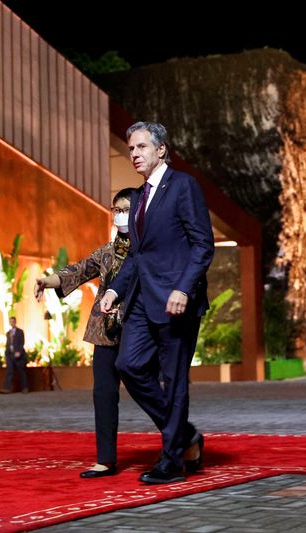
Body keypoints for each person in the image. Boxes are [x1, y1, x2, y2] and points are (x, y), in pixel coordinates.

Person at [101, 121, 214, 484]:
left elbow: (202, 244)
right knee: (128, 365)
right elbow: (135, 256)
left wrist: (183, 288)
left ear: (161, 149)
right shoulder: (138, 198)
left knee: (173, 380)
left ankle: (172, 461)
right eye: (131, 148)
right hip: (140, 301)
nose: (134, 154)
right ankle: (184, 435)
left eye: (141, 147)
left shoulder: (183, 186)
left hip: (176, 302)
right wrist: (114, 290)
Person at [34, 188, 134, 479]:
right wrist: (46, 280)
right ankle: (105, 460)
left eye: (125, 209)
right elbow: (76, 270)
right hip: (103, 330)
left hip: (136, 330)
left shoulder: (147, 251)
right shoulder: (105, 252)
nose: (119, 215)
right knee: (103, 394)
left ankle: (182, 440)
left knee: (147, 391)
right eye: (115, 210)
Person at [0, 316, 29, 394]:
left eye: (13, 321)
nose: (12, 323)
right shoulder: (8, 333)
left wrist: (19, 352)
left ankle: (25, 387)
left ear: (15, 322)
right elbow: (8, 344)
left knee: (21, 371)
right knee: (9, 371)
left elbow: (22, 342)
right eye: (10, 322)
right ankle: (7, 388)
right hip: (10, 355)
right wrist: (6, 354)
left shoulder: (20, 332)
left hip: (18, 354)